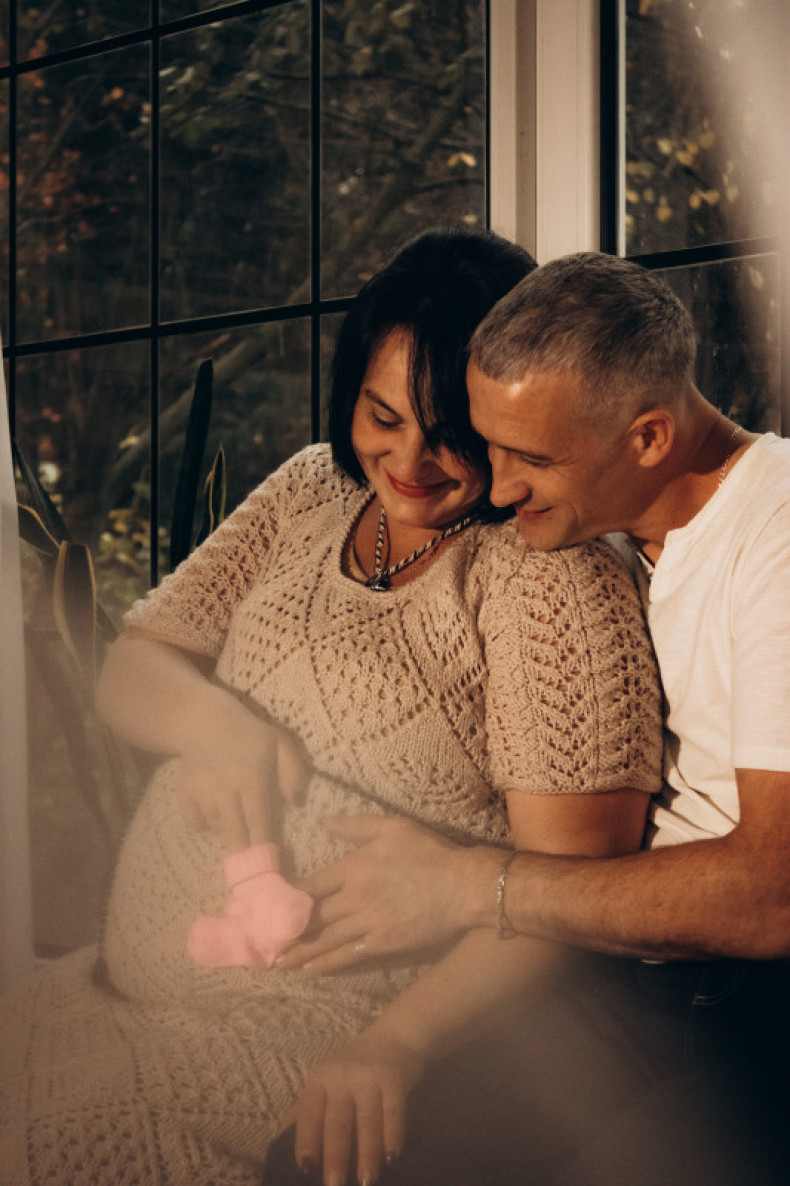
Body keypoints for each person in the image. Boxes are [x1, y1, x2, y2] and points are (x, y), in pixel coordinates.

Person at [0, 235, 662, 1186]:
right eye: (382, 415)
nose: (410, 460)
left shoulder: (547, 577)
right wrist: (219, 727)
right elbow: (135, 666)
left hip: (317, 1032)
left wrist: (397, 1043)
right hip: (108, 990)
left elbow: (575, 892)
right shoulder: (312, 488)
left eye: (450, 433)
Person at [273, 251, 790, 1184]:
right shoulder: (603, 527)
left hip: (762, 998)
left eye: (534, 459)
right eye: (490, 445)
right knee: (325, 1163)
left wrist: (472, 886)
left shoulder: (776, 540)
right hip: (632, 969)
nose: (499, 487)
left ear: (648, 437)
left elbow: (771, 895)